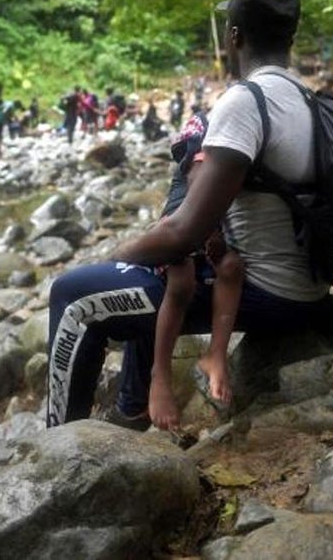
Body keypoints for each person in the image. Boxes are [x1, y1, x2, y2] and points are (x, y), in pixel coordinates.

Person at [46, 0, 330, 431]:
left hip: (268, 292)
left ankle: (58, 440)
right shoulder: (308, 100)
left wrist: (115, 255)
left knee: (73, 293)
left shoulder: (245, 102)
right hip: (308, 287)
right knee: (153, 270)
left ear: (233, 37)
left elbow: (184, 232)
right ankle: (132, 407)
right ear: (290, 41)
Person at [148, 111, 244, 430]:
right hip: (181, 219)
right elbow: (195, 176)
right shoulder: (205, 126)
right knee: (181, 279)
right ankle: (160, 374)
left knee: (231, 267)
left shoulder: (250, 129)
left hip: (216, 219)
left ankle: (216, 356)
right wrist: (207, 229)